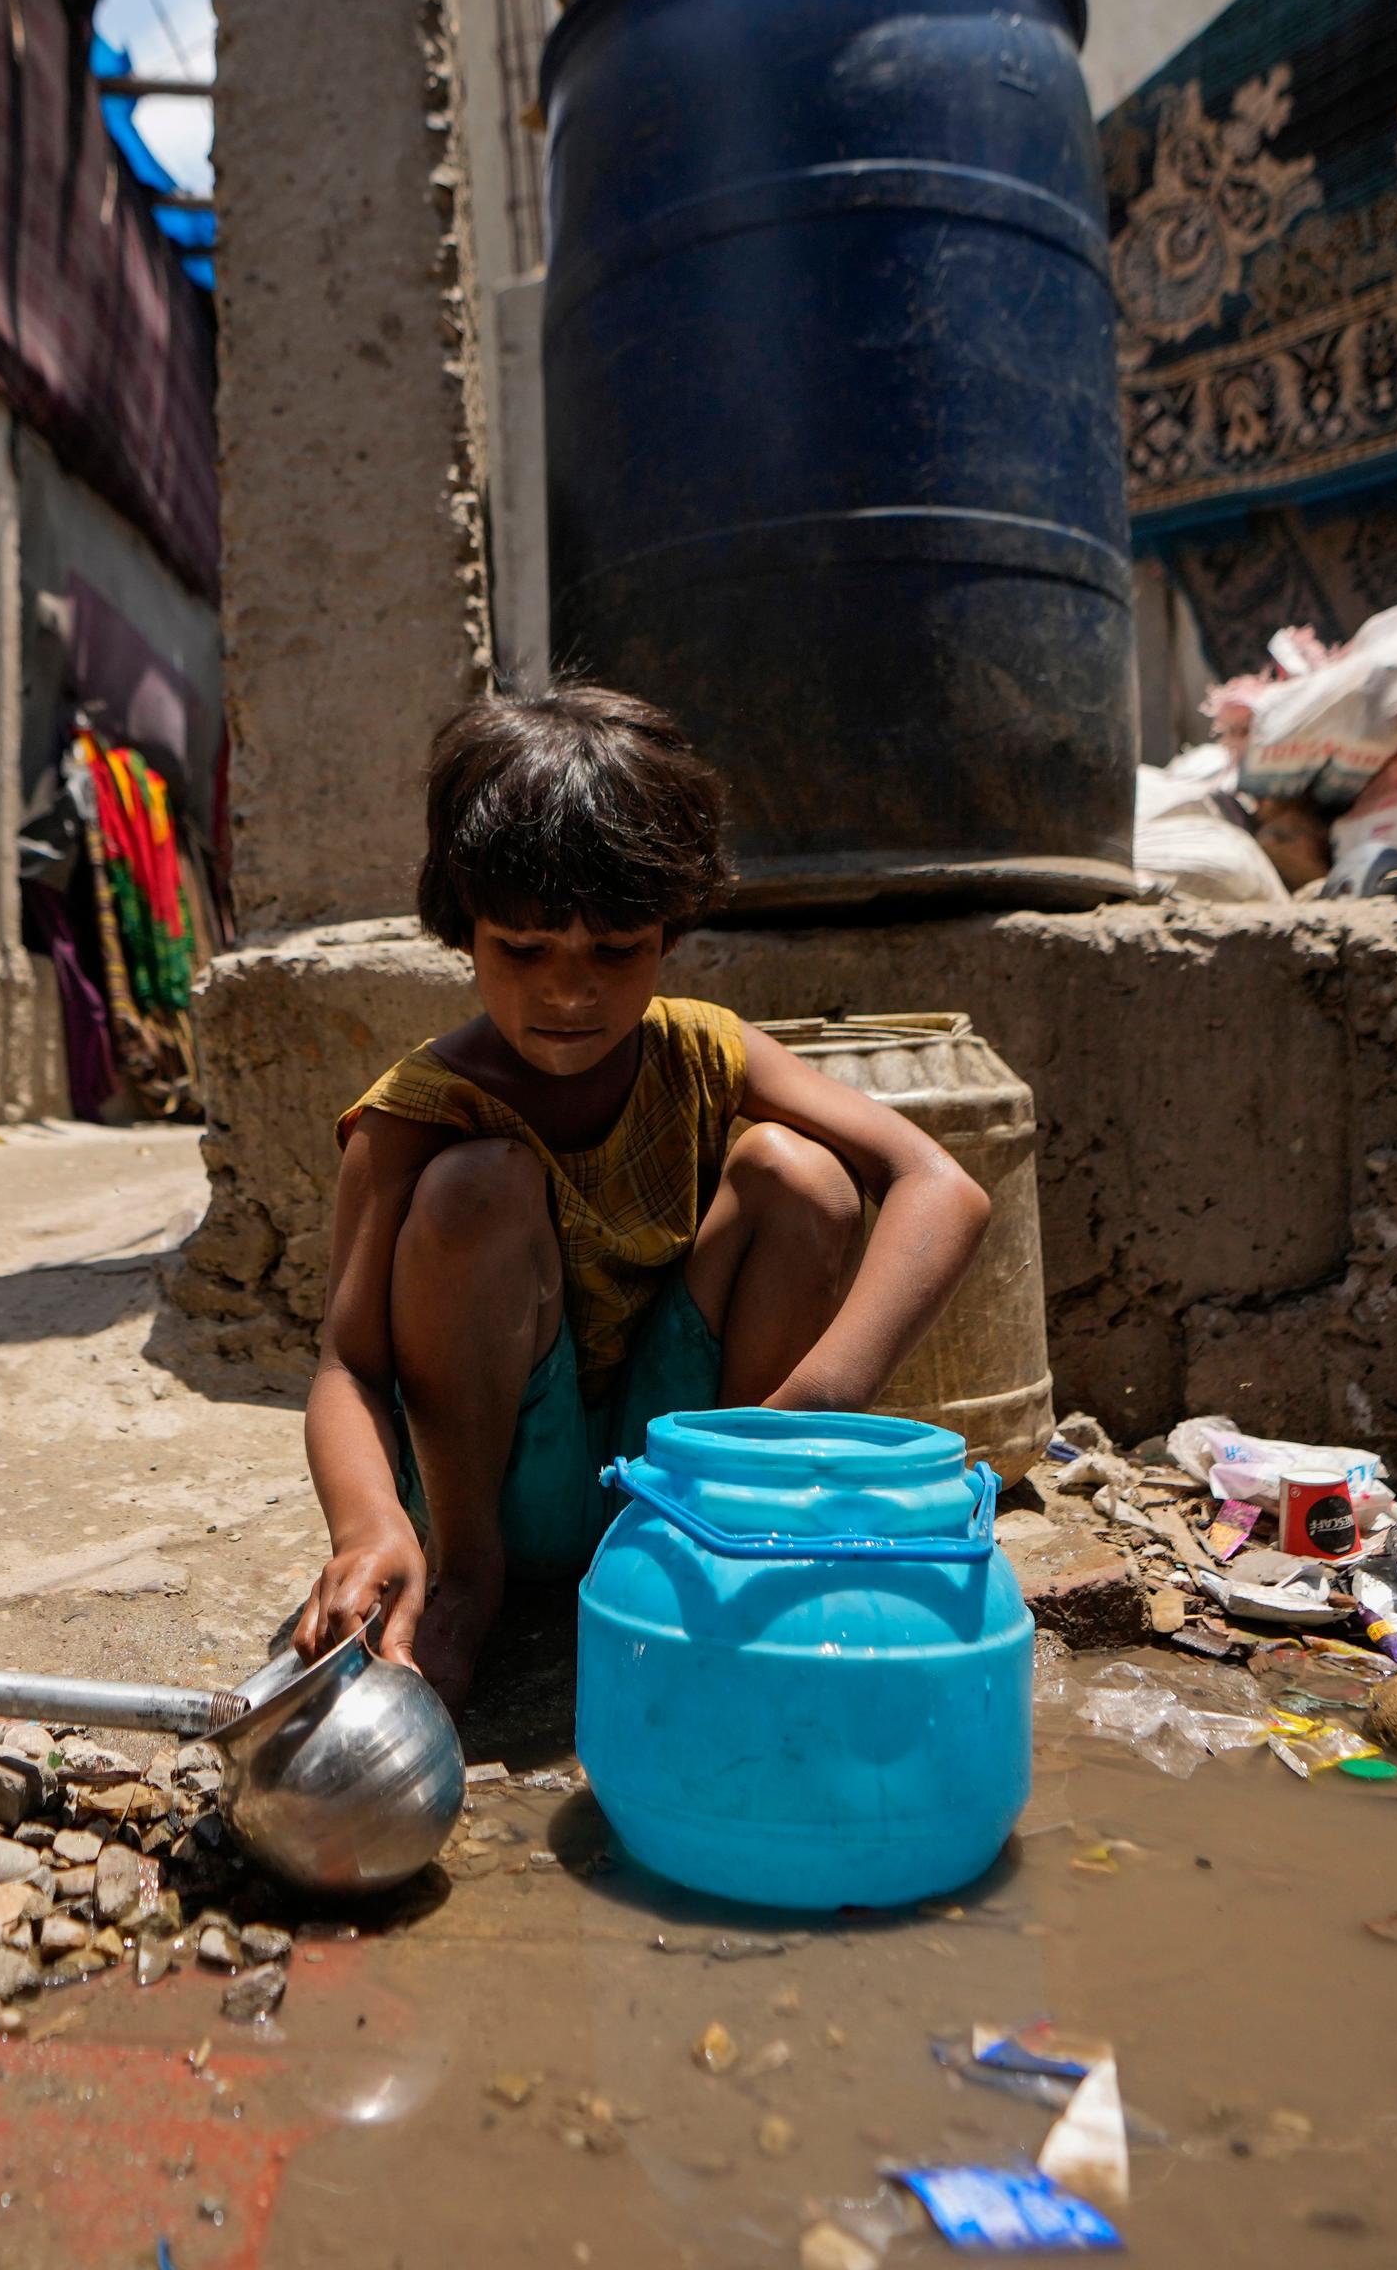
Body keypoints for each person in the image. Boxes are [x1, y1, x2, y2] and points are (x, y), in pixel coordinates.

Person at [290, 686, 994, 1702]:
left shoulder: (704, 1049)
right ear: (466, 932)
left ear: (669, 933)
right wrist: (369, 1527)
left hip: (682, 1475)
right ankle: (466, 1588)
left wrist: (797, 1426)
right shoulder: (415, 1112)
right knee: (478, 1188)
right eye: (523, 950)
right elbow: (347, 1367)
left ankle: (734, 1542)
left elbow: (942, 1186)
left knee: (801, 1174)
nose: (568, 992)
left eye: (614, 952)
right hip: (489, 1484)